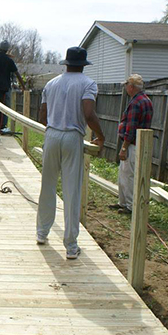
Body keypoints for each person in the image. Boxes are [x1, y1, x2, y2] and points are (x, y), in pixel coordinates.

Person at [36, 46, 105, 260]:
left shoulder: (51, 83)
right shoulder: (87, 84)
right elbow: (88, 113)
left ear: (66, 64)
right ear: (83, 65)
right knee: (71, 190)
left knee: (47, 185)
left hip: (52, 135)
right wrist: (101, 136)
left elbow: (42, 115)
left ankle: (42, 232)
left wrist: (54, 125)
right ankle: (71, 245)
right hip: (73, 136)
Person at [110, 74, 153, 214]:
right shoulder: (146, 100)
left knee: (128, 175)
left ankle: (129, 205)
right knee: (124, 173)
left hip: (132, 144)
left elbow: (131, 128)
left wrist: (124, 147)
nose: (125, 88)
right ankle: (122, 202)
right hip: (140, 143)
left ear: (131, 87)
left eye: (126, 85)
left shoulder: (135, 103)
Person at [0, 40, 26, 143]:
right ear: (7, 49)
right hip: (2, 89)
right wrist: (23, 86)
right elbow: (17, 74)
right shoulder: (9, 61)